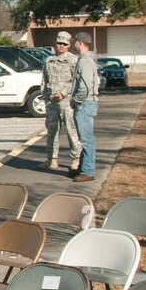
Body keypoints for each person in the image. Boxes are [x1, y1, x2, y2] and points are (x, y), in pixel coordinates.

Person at [42, 30, 80, 172]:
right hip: (51, 102)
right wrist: (46, 98)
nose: (61, 46)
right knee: (52, 131)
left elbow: (76, 81)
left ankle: (76, 158)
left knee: (71, 130)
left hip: (66, 102)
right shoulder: (48, 60)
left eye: (64, 44)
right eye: (59, 43)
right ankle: (51, 159)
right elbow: (44, 81)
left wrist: (63, 93)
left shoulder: (73, 60)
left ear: (69, 45)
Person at [69, 31, 100, 182]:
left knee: (87, 139)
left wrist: (76, 99)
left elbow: (85, 86)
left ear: (80, 43)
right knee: (85, 138)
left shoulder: (85, 62)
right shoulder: (87, 60)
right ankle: (82, 168)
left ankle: (87, 171)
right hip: (86, 103)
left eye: (74, 41)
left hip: (84, 104)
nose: (72, 44)